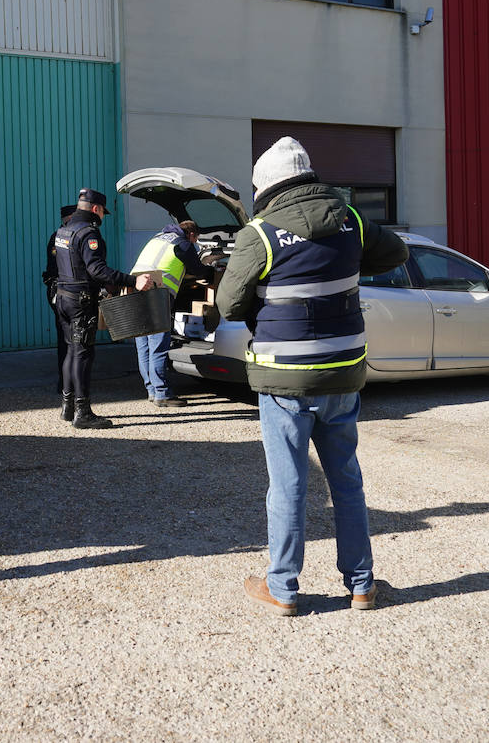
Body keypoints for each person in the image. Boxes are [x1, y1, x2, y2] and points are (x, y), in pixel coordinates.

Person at [215, 137, 409, 616]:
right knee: (346, 479)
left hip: (284, 379)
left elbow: (228, 305)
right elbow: (396, 253)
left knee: (289, 485)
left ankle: (282, 588)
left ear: (266, 188)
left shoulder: (258, 234)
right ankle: (361, 585)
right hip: (343, 373)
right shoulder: (352, 219)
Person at [54, 187, 153, 428]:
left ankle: (68, 407)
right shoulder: (89, 233)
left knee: (70, 351)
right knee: (83, 354)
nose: (102, 218)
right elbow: (96, 269)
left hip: (63, 298)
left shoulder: (63, 230)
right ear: (96, 209)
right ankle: (83, 412)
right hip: (81, 301)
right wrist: (133, 280)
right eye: (102, 214)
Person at [130, 220, 210, 407]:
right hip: (157, 295)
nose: (195, 244)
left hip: (136, 291)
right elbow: (198, 270)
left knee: (144, 345)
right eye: (196, 240)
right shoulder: (182, 243)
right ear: (191, 235)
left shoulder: (158, 238)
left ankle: (151, 390)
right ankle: (162, 394)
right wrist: (212, 270)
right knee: (158, 345)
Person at [43, 204, 76, 395]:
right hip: (64, 291)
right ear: (69, 218)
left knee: (66, 338)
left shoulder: (57, 236)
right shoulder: (64, 237)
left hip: (58, 292)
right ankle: (67, 383)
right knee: (69, 339)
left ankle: (67, 382)